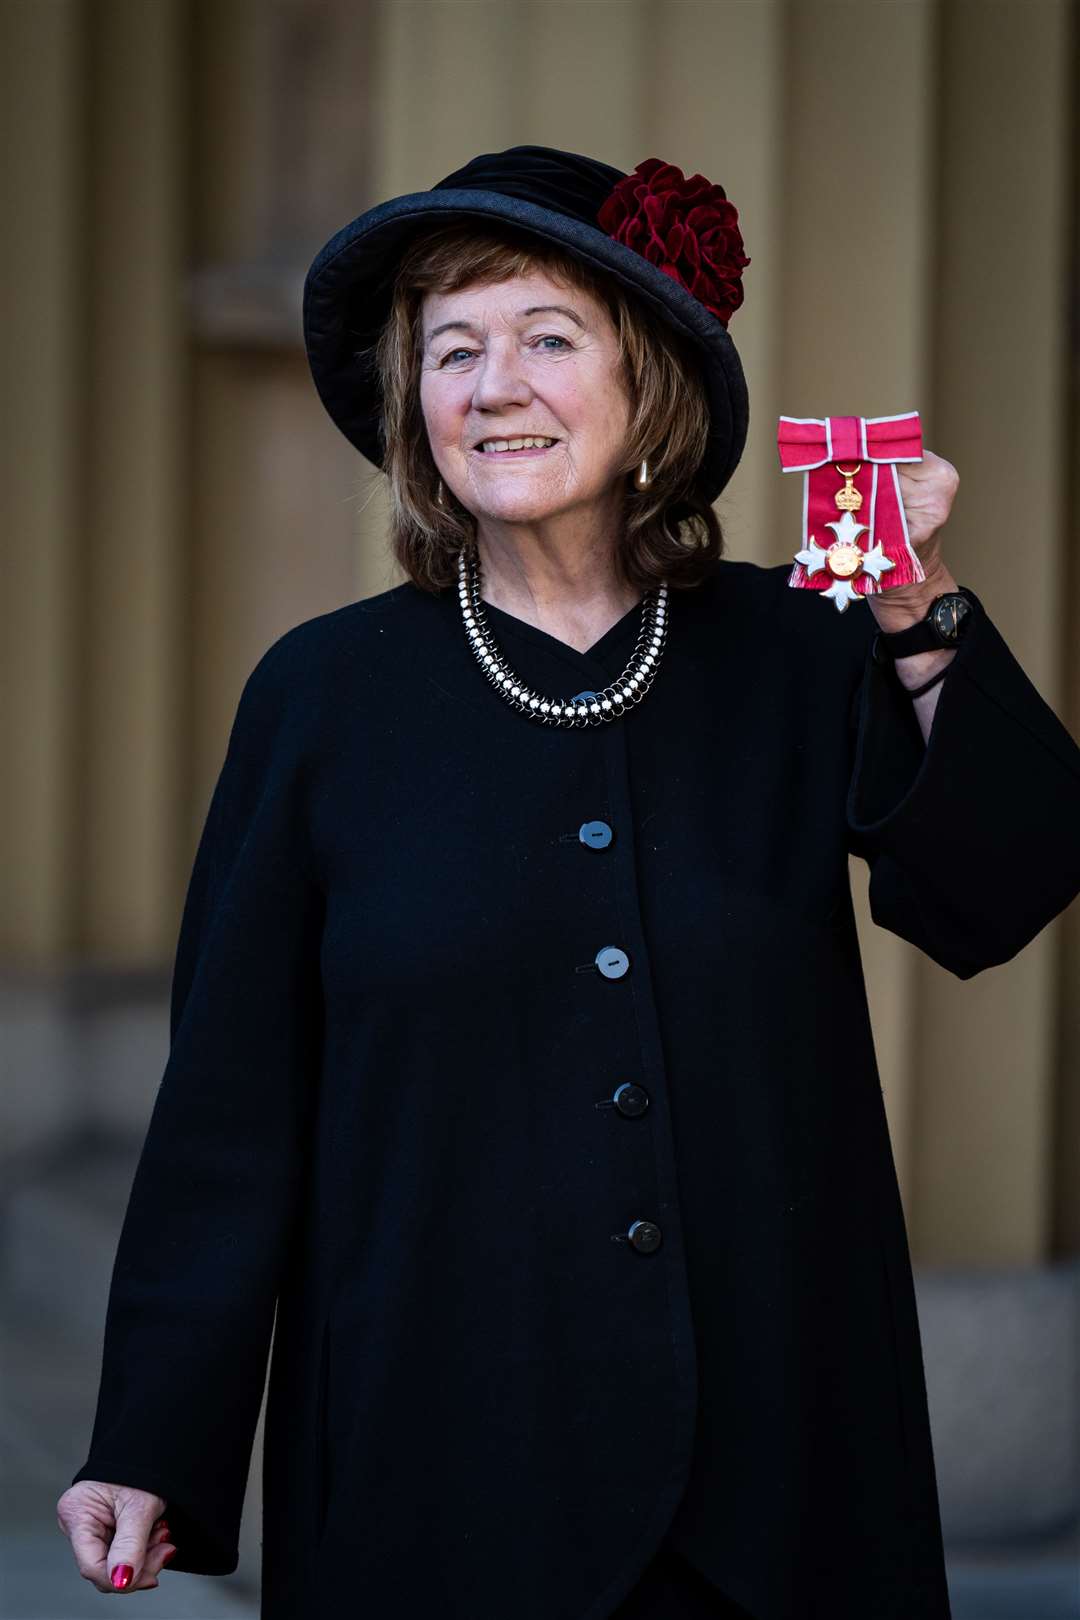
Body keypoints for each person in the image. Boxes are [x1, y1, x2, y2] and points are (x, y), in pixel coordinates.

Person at [57, 145, 1080, 1617]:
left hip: (774, 1481)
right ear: (417, 406)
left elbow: (1005, 883)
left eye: (548, 337)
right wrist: (152, 1438)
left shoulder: (795, 652)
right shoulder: (325, 697)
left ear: (648, 378)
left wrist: (917, 615)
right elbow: (232, 1102)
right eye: (453, 349)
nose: (493, 385)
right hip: (437, 1468)